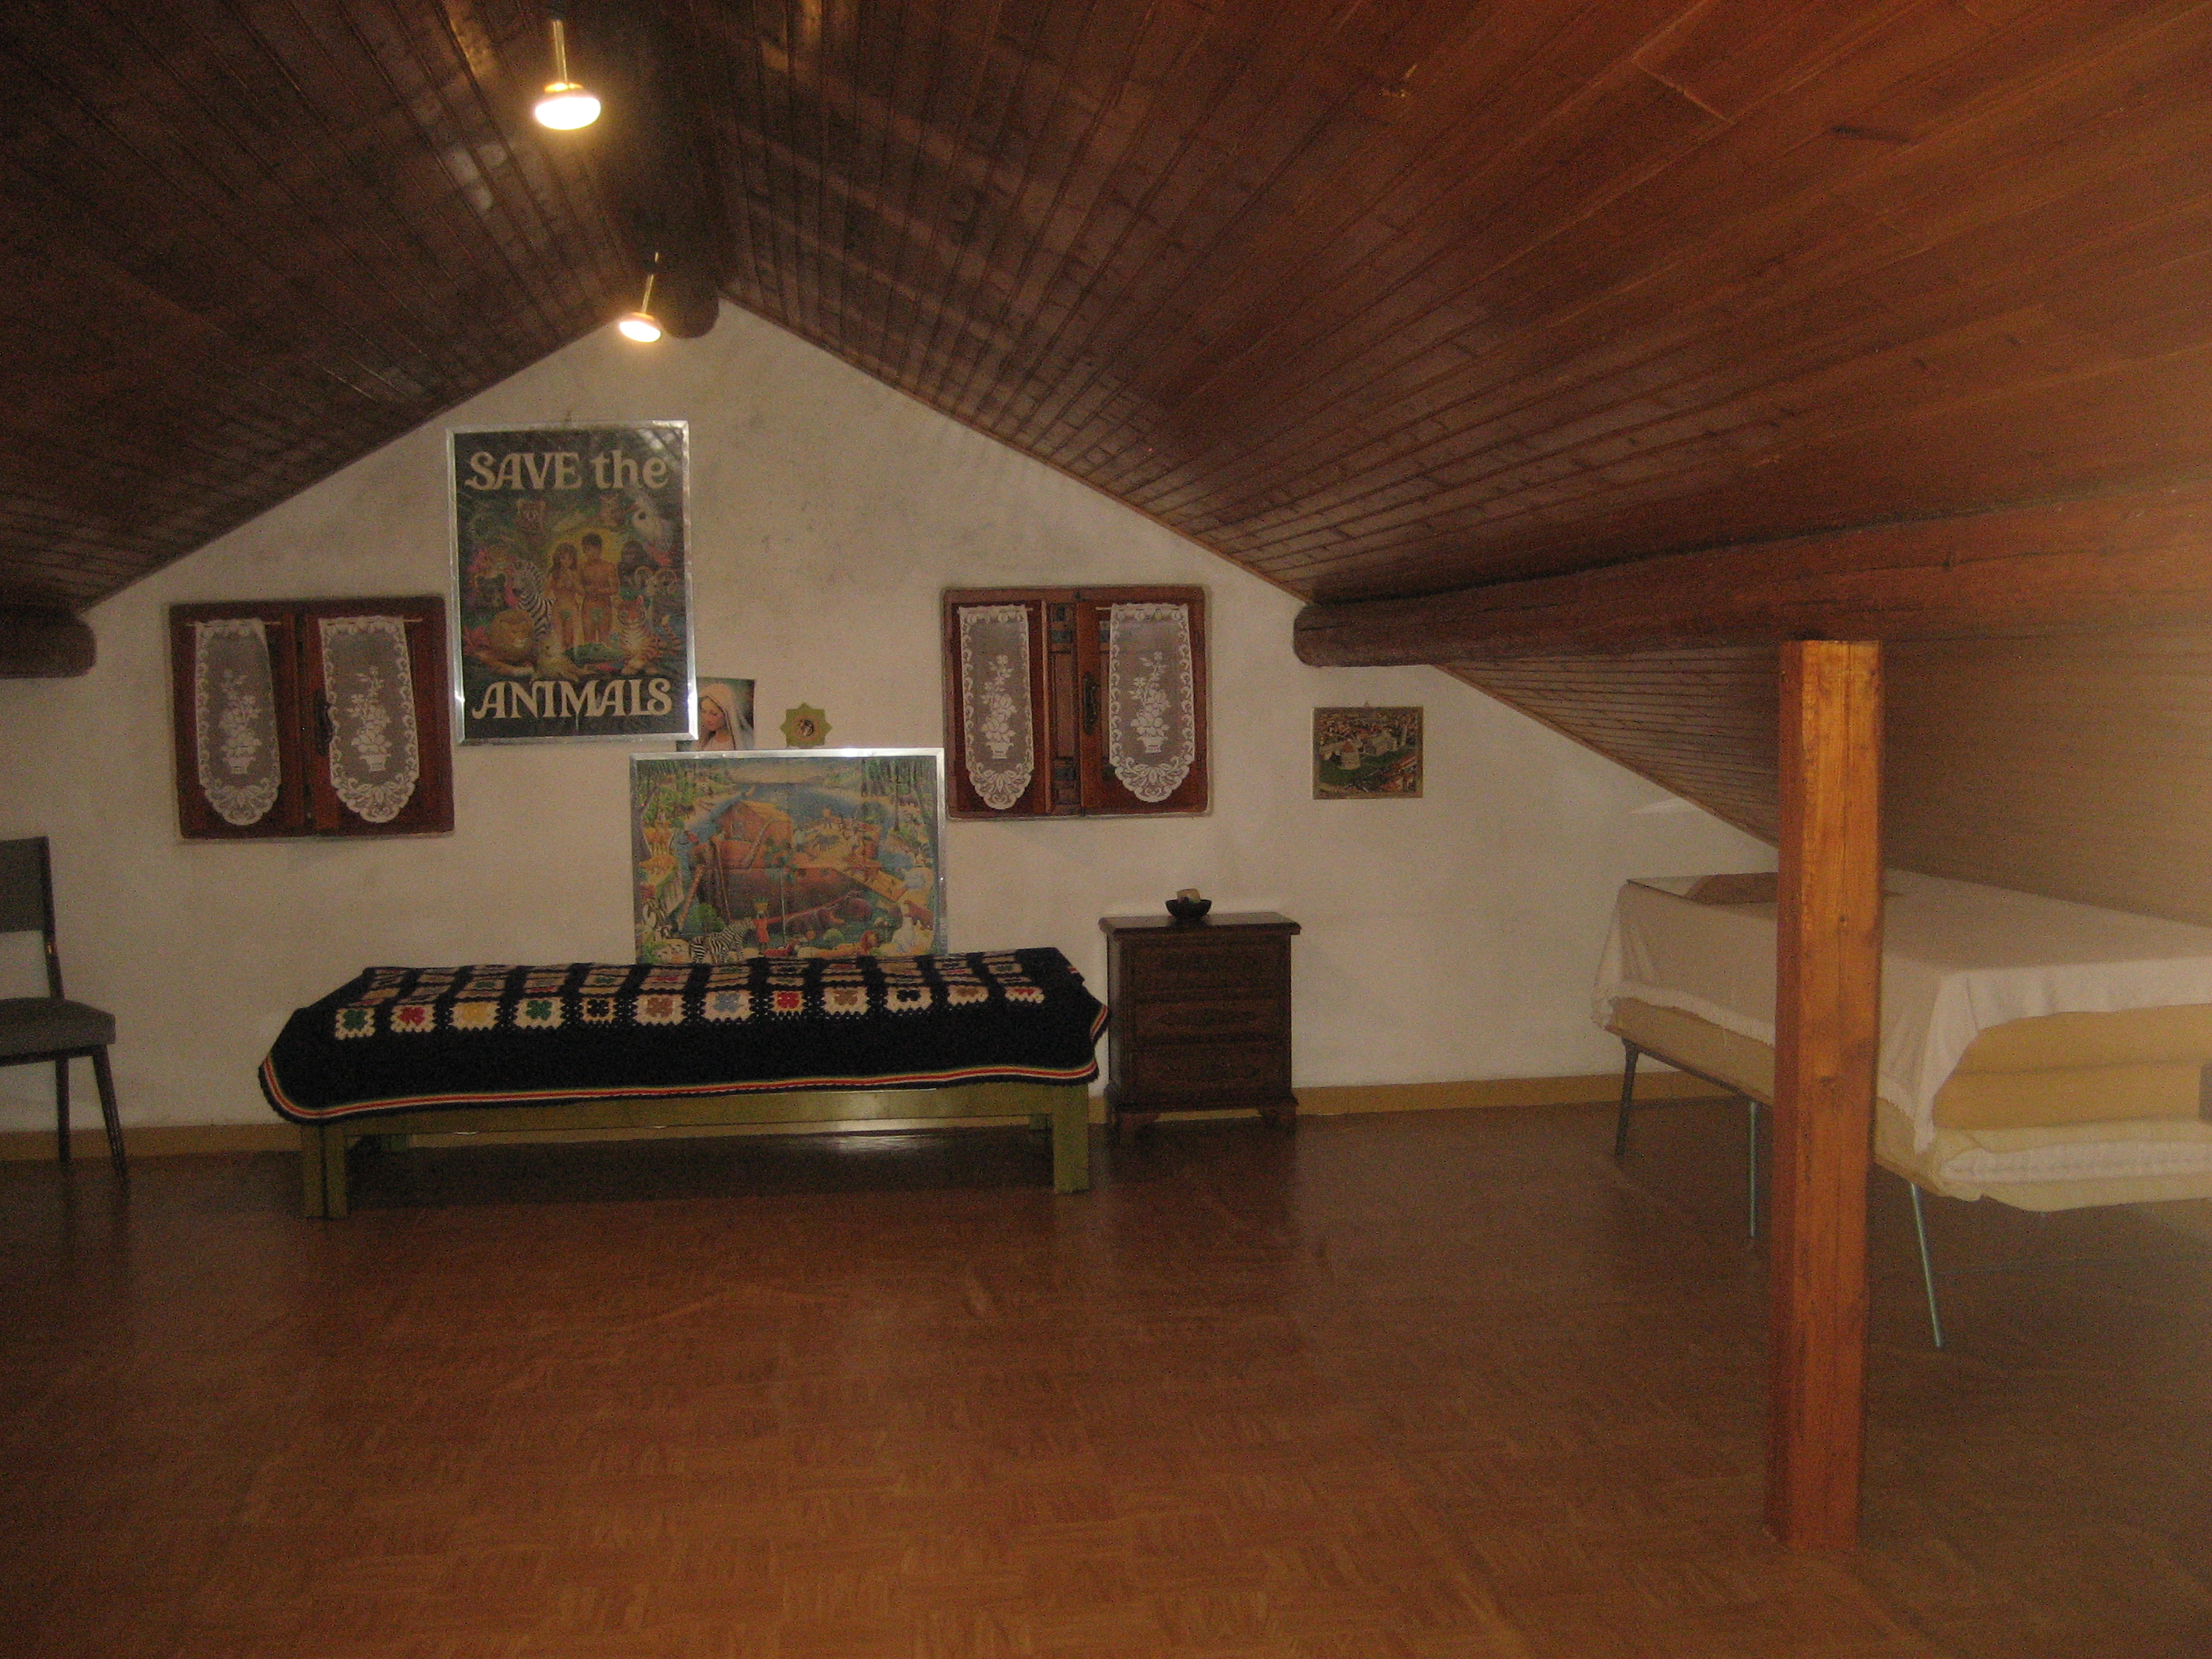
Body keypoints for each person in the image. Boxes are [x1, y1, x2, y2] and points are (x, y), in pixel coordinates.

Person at [694, 682, 744, 750]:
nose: (707, 719)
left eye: (714, 714)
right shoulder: (703, 743)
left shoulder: (741, 743)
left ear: (726, 714)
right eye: (704, 712)